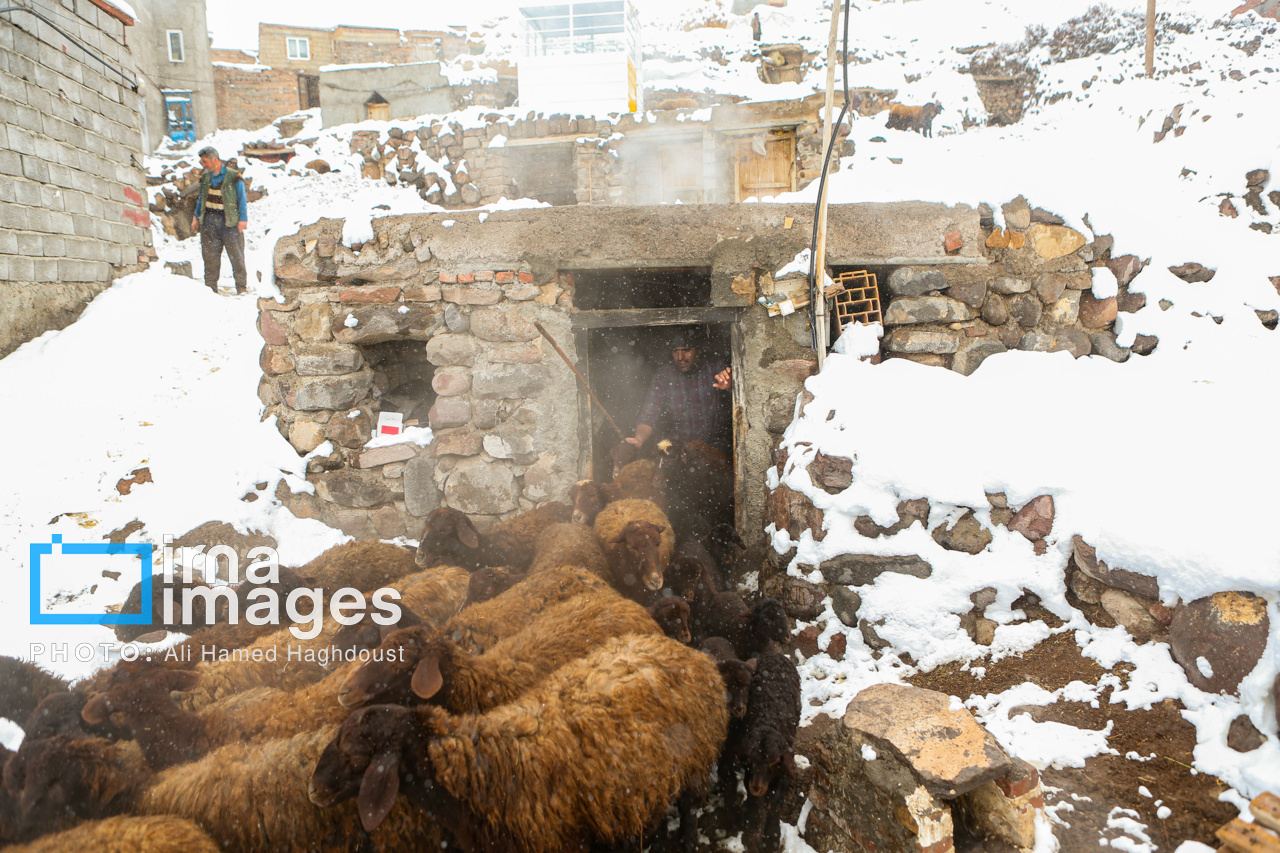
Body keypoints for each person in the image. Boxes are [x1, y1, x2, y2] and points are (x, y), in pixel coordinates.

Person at [626, 328, 732, 454]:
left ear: (698, 351)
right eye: (676, 351)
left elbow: (742, 401)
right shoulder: (663, 376)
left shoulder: (715, 369)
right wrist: (639, 438)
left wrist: (730, 386)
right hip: (679, 451)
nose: (680, 357)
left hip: (714, 450)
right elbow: (649, 415)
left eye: (686, 350)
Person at [190, 146, 248, 294]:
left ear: (214, 159)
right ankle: (210, 288)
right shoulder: (206, 178)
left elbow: (242, 199)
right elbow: (201, 199)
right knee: (210, 256)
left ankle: (241, 287)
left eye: (205, 162)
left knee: (237, 256)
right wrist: (196, 217)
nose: (204, 165)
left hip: (229, 222)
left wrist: (243, 219)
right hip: (208, 222)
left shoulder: (234, 177)